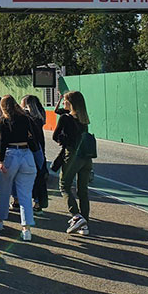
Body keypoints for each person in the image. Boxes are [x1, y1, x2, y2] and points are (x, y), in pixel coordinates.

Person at [0, 95, 38, 241]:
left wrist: (1, 160)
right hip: (26, 154)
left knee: (2, 191)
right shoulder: (25, 118)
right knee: (25, 195)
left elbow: (3, 141)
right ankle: (26, 228)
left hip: (10, 155)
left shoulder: (2, 120)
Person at [53, 91, 93, 236]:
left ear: (70, 103)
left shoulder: (65, 118)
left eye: (65, 101)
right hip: (86, 157)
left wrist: (62, 140)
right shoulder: (84, 118)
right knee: (83, 190)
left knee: (64, 186)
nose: (64, 103)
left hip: (72, 156)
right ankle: (85, 225)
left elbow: (55, 136)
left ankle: (76, 216)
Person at [21, 95, 48, 212]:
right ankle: (38, 202)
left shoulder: (26, 118)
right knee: (39, 175)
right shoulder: (40, 117)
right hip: (40, 148)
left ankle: (22, 201)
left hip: (29, 149)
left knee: (25, 177)